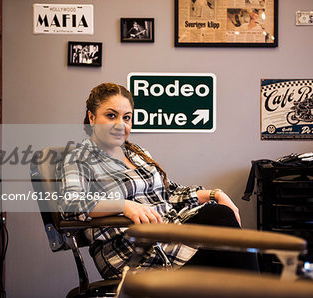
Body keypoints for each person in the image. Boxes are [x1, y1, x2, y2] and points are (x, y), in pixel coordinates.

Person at [56, 82, 258, 279]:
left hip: (168, 233)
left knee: (220, 215)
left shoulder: (137, 153)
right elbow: (72, 205)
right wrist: (125, 206)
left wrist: (215, 193)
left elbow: (167, 194)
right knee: (229, 257)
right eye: (111, 115)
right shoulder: (79, 158)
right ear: (92, 118)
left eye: (127, 118)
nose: (121, 125)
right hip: (133, 253)